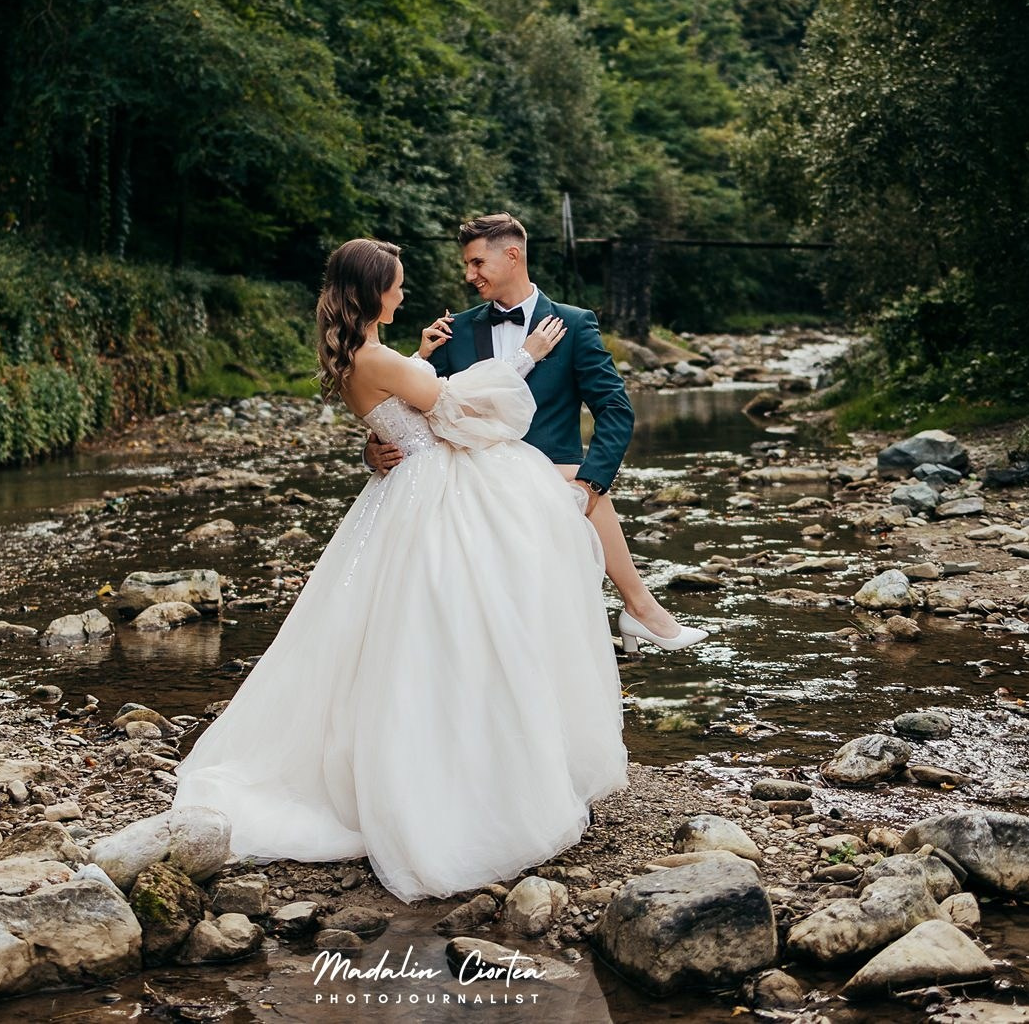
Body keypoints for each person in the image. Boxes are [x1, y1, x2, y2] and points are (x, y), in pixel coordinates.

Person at [171, 239, 627, 902]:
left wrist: (410, 368)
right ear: (373, 291)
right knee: (460, 633)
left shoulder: (365, 357)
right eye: (398, 284)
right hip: (434, 499)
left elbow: (398, 406)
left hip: (401, 497)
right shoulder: (381, 357)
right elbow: (455, 410)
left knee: (400, 639)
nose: (406, 292)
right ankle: (467, 782)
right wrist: (524, 358)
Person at [367, 213, 709, 654]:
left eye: (476, 263)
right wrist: (372, 452)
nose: (468, 275)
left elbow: (615, 410)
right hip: (472, 485)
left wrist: (590, 484)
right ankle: (639, 609)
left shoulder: (574, 324)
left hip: (550, 479)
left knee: (548, 635)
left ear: (512, 256)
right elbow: (413, 409)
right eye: (467, 265)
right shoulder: (454, 331)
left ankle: (634, 615)